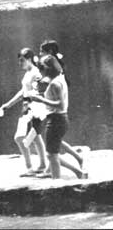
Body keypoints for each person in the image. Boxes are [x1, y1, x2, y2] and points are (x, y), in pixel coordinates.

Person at [0, 47, 47, 177]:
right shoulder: (28, 73)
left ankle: (30, 168)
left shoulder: (36, 73)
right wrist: (8, 105)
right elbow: (22, 92)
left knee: (20, 138)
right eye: (19, 61)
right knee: (35, 137)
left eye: (22, 60)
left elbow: (42, 91)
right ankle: (42, 165)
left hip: (34, 109)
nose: (20, 64)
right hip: (27, 109)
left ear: (30, 59)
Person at [39, 39, 87, 171]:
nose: (40, 53)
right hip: (57, 108)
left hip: (57, 111)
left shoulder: (51, 65)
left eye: (41, 51)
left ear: (49, 52)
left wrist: (42, 95)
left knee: (52, 146)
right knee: (54, 141)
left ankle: (57, 169)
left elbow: (53, 84)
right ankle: (76, 159)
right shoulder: (54, 63)